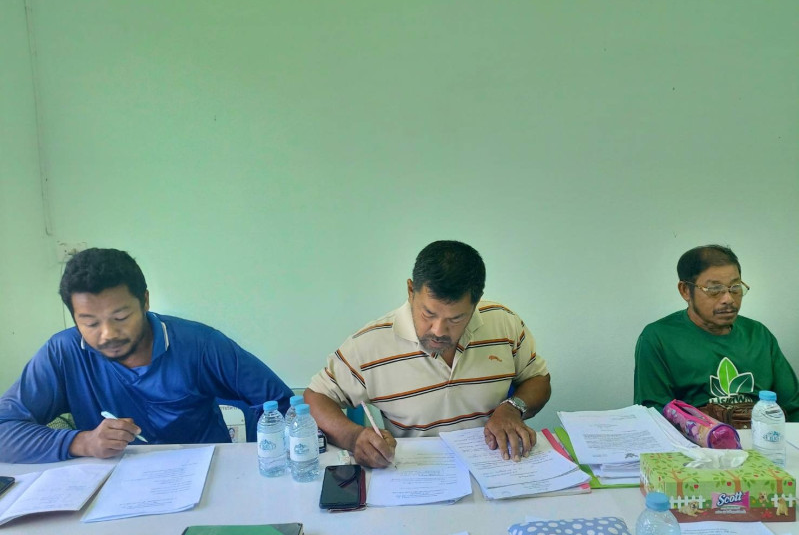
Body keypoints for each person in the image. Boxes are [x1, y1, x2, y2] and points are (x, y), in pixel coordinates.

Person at [0, 248, 293, 463]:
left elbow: (283, 405)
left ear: (145, 301)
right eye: (90, 323)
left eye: (120, 317)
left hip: (205, 482)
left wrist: (259, 463)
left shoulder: (199, 344)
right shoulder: (63, 353)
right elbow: (4, 429)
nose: (107, 334)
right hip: (108, 490)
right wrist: (82, 442)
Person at [304, 240, 551, 468]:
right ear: (411, 290)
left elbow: (538, 379)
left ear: (476, 303)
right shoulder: (371, 343)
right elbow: (315, 398)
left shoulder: (503, 323)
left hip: (495, 465)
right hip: (416, 472)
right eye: (429, 314)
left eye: (456, 318)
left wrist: (513, 408)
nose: (438, 331)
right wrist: (353, 437)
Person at [634, 244, 799, 420]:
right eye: (714, 290)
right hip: (696, 435)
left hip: (762, 432)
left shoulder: (758, 334)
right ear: (685, 291)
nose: (728, 299)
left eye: (735, 287)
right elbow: (653, 414)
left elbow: (793, 407)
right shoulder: (659, 338)